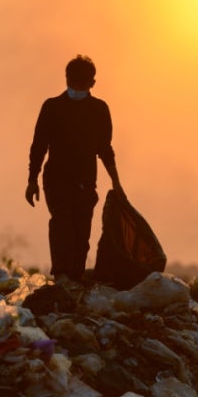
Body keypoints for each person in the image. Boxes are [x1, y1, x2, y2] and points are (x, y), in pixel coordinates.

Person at [25, 54, 124, 283]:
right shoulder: (52, 107)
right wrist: (32, 180)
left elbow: (105, 149)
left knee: (82, 234)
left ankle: (75, 278)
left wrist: (116, 182)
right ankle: (60, 276)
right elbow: (39, 146)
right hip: (56, 179)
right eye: (74, 80)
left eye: (83, 81)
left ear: (92, 83)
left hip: (85, 182)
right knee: (61, 224)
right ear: (66, 79)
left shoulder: (99, 110)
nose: (78, 85)